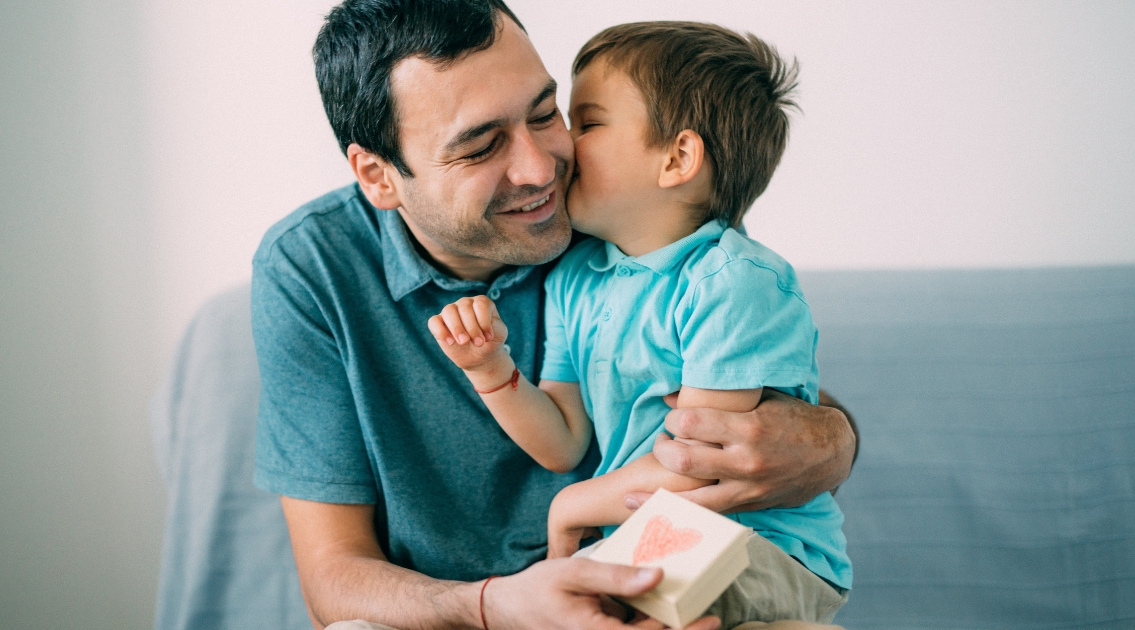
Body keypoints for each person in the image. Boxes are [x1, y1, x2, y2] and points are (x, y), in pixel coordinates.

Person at [250, 1, 858, 628]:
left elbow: (760, 410)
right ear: (378, 176)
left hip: (648, 572)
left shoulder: (619, 215)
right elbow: (334, 578)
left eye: (547, 114)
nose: (540, 170)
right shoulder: (311, 266)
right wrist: (489, 606)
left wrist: (837, 441)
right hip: (458, 610)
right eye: (481, 146)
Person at [426, 22, 849, 625]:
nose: (563, 145)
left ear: (677, 158)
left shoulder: (731, 282)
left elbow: (701, 468)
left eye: (589, 122)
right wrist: (491, 369)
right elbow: (563, 439)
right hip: (655, 538)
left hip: (760, 546)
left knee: (622, 603)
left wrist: (572, 506)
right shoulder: (576, 276)